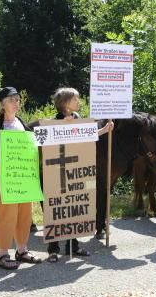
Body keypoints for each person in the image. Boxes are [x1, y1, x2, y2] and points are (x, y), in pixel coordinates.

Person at [46, 87, 113, 262]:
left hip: (75, 172)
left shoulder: (79, 120)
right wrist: (63, 126)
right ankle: (53, 249)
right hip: (58, 173)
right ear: (65, 103)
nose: (79, 102)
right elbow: (44, 142)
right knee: (58, 210)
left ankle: (73, 246)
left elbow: (87, 136)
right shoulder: (53, 122)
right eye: (75, 99)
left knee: (74, 208)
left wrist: (105, 130)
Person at [0, 87, 42, 270]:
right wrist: (2, 173)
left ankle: (22, 250)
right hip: (6, 179)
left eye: (18, 99)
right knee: (7, 215)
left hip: (24, 178)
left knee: (25, 214)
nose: (16, 103)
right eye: (12, 100)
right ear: (3, 104)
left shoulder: (22, 124)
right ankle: (2, 254)